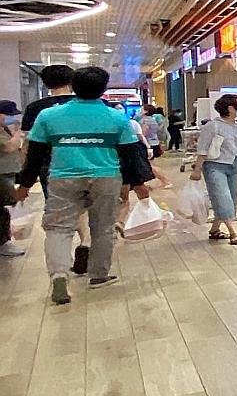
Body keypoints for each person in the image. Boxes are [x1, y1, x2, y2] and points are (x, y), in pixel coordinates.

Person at [15, 66, 154, 304]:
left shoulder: (49, 116)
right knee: (103, 227)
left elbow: (34, 154)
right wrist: (140, 186)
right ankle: (98, 275)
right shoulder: (116, 117)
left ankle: (59, 274)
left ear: (74, 86)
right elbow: (131, 156)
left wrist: (25, 185)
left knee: (59, 228)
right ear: (103, 89)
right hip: (106, 176)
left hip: (62, 177)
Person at [22, 64, 89, 272]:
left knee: (59, 212)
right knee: (84, 207)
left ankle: (60, 266)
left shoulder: (36, 109)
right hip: (85, 163)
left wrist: (26, 173)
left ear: (46, 83)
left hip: (49, 166)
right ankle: (85, 242)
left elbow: (28, 144)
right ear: (72, 82)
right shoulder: (85, 105)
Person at [191, 94, 237, 245]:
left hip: (235, 164)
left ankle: (214, 230)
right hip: (214, 165)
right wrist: (197, 169)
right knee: (222, 197)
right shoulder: (213, 126)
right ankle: (233, 232)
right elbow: (203, 149)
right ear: (230, 108)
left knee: (232, 198)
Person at [0, 100, 24, 257]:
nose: (12, 119)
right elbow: (8, 147)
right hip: (1, 175)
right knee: (4, 207)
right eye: (9, 115)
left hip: (7, 173)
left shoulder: (4, 128)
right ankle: (4, 243)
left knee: (4, 208)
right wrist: (17, 135)